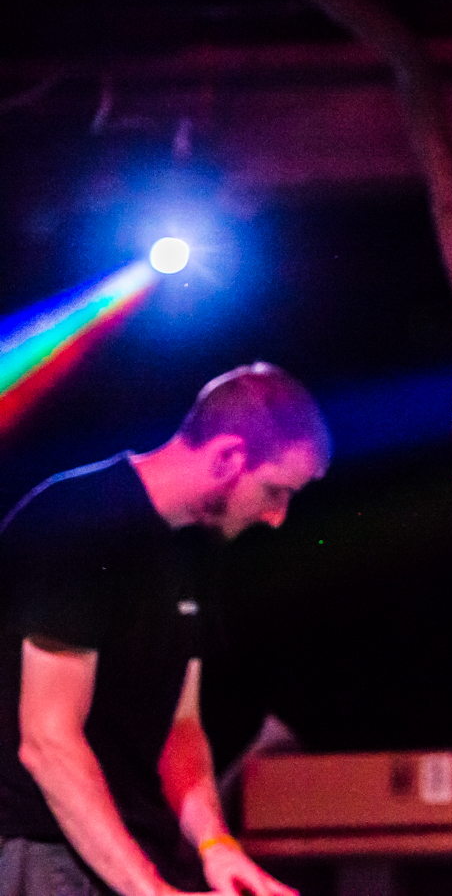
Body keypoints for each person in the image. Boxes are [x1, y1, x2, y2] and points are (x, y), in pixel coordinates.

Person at [0, 363, 331, 896]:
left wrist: (216, 847)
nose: (277, 518)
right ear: (227, 458)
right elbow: (48, 742)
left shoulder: (193, 549)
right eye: (275, 491)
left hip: (130, 846)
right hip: (40, 847)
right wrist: (148, 889)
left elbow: (181, 729)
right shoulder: (77, 522)